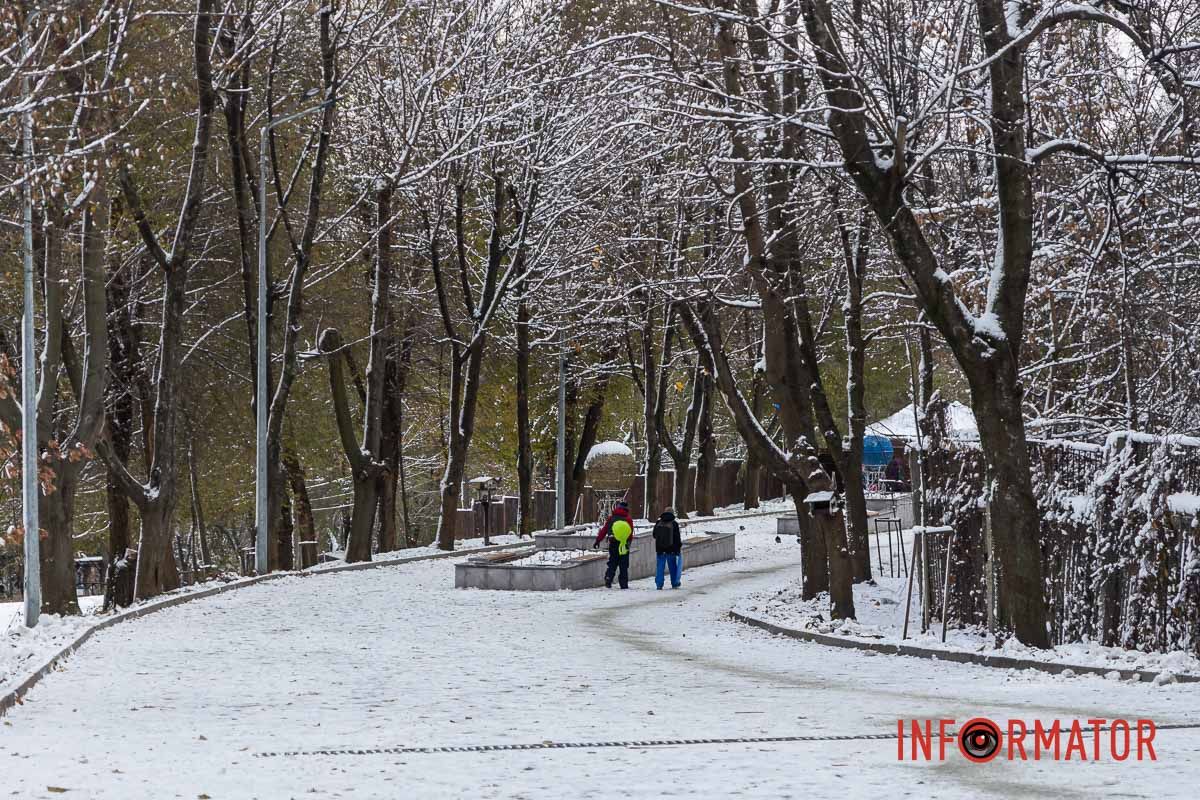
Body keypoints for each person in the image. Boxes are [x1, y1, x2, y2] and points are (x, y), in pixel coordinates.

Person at [593, 500, 634, 589]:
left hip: (613, 543)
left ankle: (608, 578)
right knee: (624, 564)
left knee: (613, 562)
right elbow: (630, 533)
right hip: (624, 544)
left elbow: (604, 530)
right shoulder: (628, 519)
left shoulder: (611, 518)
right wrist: (629, 543)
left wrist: (598, 541)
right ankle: (623, 584)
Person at [652, 508, 682, 590]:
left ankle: (659, 584)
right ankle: (674, 583)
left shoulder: (658, 522)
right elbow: (677, 538)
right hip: (671, 550)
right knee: (672, 567)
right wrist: (678, 549)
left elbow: (654, 535)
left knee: (660, 568)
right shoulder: (674, 523)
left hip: (660, 550)